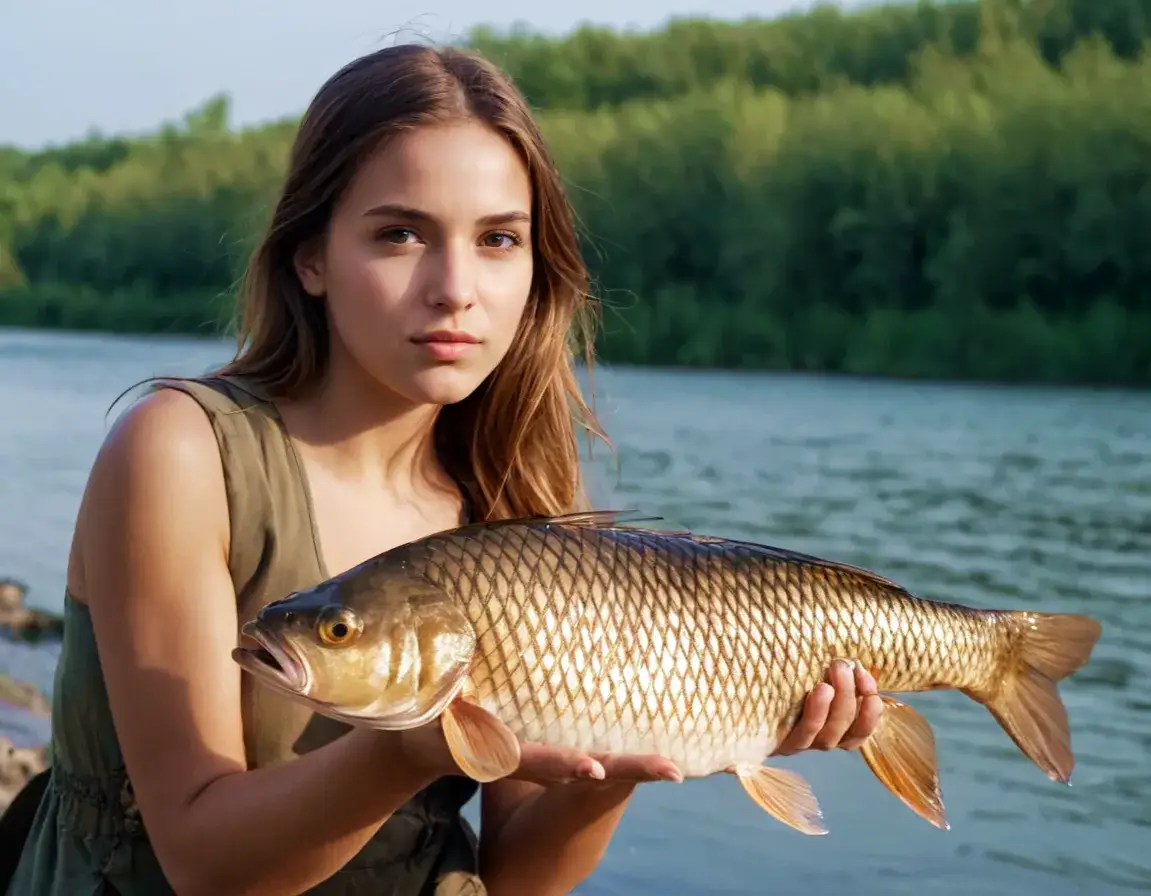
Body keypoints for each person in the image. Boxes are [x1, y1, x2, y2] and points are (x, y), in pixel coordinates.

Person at [5, 43, 883, 896]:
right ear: (311, 256)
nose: (455, 287)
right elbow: (205, 865)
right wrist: (410, 748)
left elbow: (517, 878)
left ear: (537, 270)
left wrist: (621, 766)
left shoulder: (511, 502)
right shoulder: (180, 451)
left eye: (499, 240)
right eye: (400, 234)